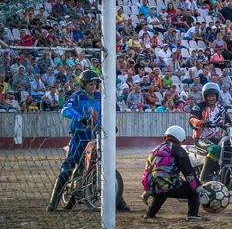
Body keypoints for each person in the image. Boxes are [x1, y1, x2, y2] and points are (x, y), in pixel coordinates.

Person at [46, 70, 130, 212]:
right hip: (79, 136)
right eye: (90, 84)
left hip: (96, 136)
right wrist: (79, 118)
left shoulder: (100, 97)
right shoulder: (77, 96)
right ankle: (53, 202)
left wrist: (110, 126)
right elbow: (65, 109)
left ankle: (118, 199)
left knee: (106, 164)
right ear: (84, 84)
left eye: (95, 84)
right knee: (70, 165)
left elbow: (106, 113)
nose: (93, 86)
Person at [141, 126, 210, 220]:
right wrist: (198, 188)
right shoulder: (178, 150)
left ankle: (150, 214)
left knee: (161, 191)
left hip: (150, 186)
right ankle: (192, 215)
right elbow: (188, 173)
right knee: (192, 190)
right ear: (180, 137)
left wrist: (147, 190)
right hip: (165, 185)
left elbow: (149, 170)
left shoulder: (156, 149)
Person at [189, 82, 231, 183]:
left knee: (230, 148)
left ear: (217, 96)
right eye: (209, 96)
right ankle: (204, 177)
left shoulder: (221, 109)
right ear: (205, 96)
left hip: (218, 139)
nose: (211, 98)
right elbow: (192, 121)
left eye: (213, 95)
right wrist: (203, 122)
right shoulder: (198, 107)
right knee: (215, 149)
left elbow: (229, 122)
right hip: (201, 139)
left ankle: (226, 176)